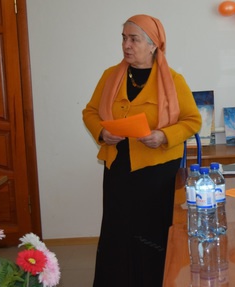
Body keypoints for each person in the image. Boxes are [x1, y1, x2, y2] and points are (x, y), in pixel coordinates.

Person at [82, 14, 201, 286]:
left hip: (158, 173)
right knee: (118, 233)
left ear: (153, 45)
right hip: (119, 170)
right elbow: (89, 111)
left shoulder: (173, 80)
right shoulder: (110, 76)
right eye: (124, 38)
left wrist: (163, 135)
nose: (126, 44)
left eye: (133, 39)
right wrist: (101, 132)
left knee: (153, 235)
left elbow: (192, 120)